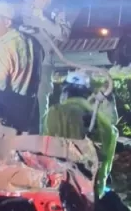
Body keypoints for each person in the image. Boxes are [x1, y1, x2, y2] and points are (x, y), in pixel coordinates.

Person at [44, 70, 119, 199]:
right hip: (93, 194)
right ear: (86, 94)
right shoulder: (106, 126)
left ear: (65, 92)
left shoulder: (55, 113)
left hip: (61, 190)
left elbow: (45, 151)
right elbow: (105, 166)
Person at [0, 1, 42, 134]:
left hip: (6, 120)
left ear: (7, 22)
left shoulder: (2, 47)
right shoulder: (33, 43)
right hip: (30, 114)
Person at [20, 0, 72, 132]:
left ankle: (39, 134)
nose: (44, 1)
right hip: (23, 61)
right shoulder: (25, 6)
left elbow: (63, 34)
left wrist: (43, 19)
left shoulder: (57, 12)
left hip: (44, 63)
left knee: (41, 99)